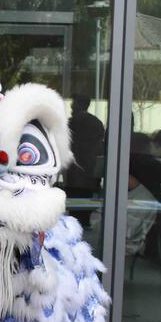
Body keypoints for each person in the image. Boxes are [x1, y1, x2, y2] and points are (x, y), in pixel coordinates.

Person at [65, 94, 105, 227]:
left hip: (73, 175)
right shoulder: (97, 123)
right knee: (84, 212)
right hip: (90, 174)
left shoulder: (71, 123)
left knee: (73, 215)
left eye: (73, 103)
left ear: (79, 104)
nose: (71, 106)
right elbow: (100, 149)